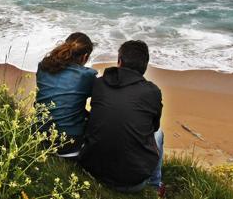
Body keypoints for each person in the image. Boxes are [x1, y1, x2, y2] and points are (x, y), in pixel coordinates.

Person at [78, 40, 165, 195]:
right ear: (144, 67)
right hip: (133, 182)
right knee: (159, 134)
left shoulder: (99, 83)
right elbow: (154, 127)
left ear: (119, 61)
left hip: (91, 169)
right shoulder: (152, 92)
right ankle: (155, 185)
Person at [35, 32, 97, 158]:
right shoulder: (86, 76)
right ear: (85, 56)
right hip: (69, 144)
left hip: (40, 134)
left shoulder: (43, 67)